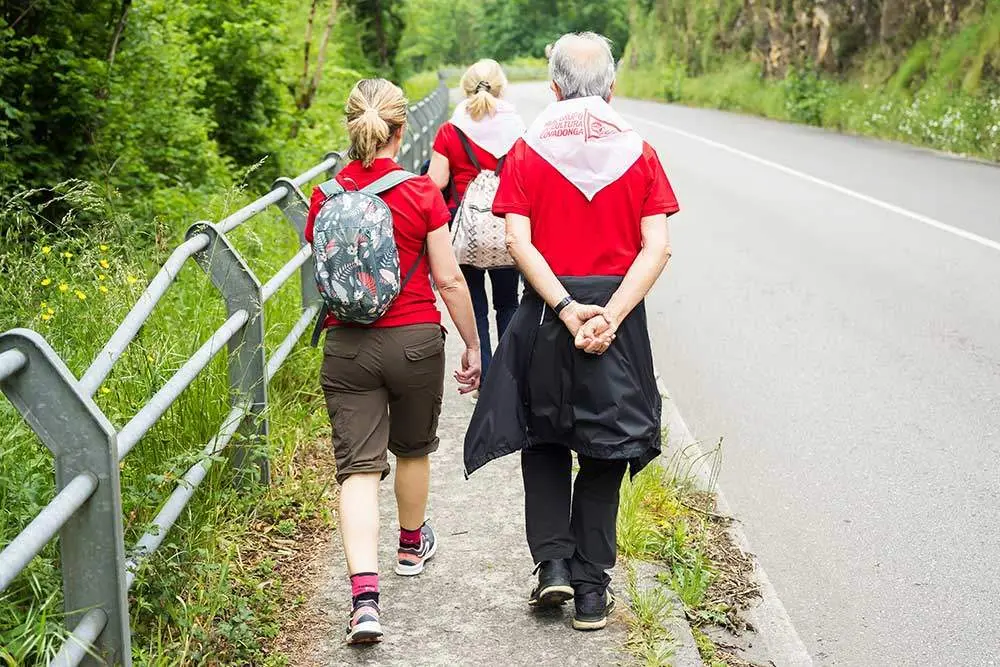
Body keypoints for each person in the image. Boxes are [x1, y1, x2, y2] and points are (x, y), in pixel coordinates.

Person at [463, 33, 680, 631]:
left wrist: (564, 307)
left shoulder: (528, 152)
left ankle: (553, 565)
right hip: (618, 317)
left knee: (545, 438)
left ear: (554, 88)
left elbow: (516, 240)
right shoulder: (641, 153)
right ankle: (591, 589)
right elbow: (657, 247)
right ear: (612, 86)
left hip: (545, 316)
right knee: (607, 444)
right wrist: (609, 313)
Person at [306, 78, 481, 645]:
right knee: (413, 449)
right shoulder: (422, 195)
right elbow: (450, 279)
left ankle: (363, 601)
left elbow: (327, 274)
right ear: (402, 130)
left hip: (348, 347)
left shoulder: (325, 197)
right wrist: (473, 344)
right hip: (414, 341)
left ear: (350, 127)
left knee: (357, 471)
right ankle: (411, 546)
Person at [428, 60, 526, 377]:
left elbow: (436, 182)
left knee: (476, 308)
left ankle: (482, 376)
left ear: (464, 88)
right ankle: (509, 380)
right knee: (508, 303)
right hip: (506, 224)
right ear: (501, 88)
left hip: (463, 228)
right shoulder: (518, 129)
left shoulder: (450, 131)